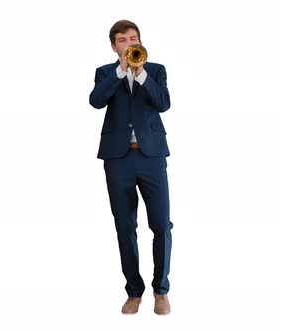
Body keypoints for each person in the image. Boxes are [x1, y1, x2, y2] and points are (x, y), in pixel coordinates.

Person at [89, 20, 173, 315]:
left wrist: (140, 73)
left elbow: (163, 103)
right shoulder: (105, 73)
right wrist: (121, 71)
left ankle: (161, 291)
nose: (128, 43)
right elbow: (96, 101)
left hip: (151, 157)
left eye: (132, 38)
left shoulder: (156, 71)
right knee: (125, 227)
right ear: (114, 46)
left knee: (161, 224)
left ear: (139, 41)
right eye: (122, 40)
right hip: (117, 159)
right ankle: (133, 292)